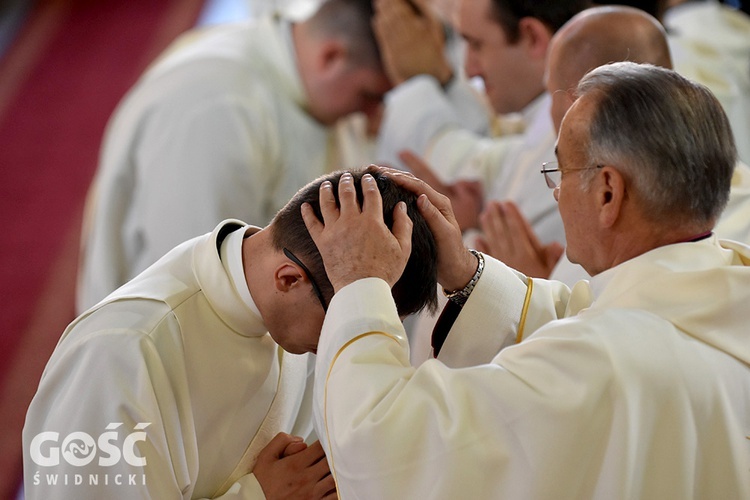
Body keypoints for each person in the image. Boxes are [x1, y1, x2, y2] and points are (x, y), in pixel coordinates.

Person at [302, 63, 750, 498]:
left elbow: (385, 448)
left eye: (562, 173)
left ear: (608, 192)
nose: (556, 193)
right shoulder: (724, 294)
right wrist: (465, 274)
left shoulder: (598, 363)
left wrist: (360, 282)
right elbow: (589, 317)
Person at [23, 167, 438, 499]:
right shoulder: (121, 352)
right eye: (349, 313)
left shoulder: (290, 314)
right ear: (289, 279)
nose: (349, 339)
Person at [76, 0, 392, 313]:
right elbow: (195, 287)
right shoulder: (218, 110)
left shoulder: (297, 67)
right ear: (331, 56)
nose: (374, 115)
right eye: (370, 96)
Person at [476, 5, 750, 285]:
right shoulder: (723, 181)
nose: (551, 115)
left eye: (551, 94)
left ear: (583, 103)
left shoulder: (626, 213)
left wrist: (528, 286)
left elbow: (621, 317)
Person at [374, 0, 590, 245]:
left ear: (533, 38)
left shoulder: (566, 148)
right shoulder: (540, 138)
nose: (469, 70)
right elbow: (471, 162)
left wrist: (417, 81)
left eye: (477, 45)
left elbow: (520, 272)